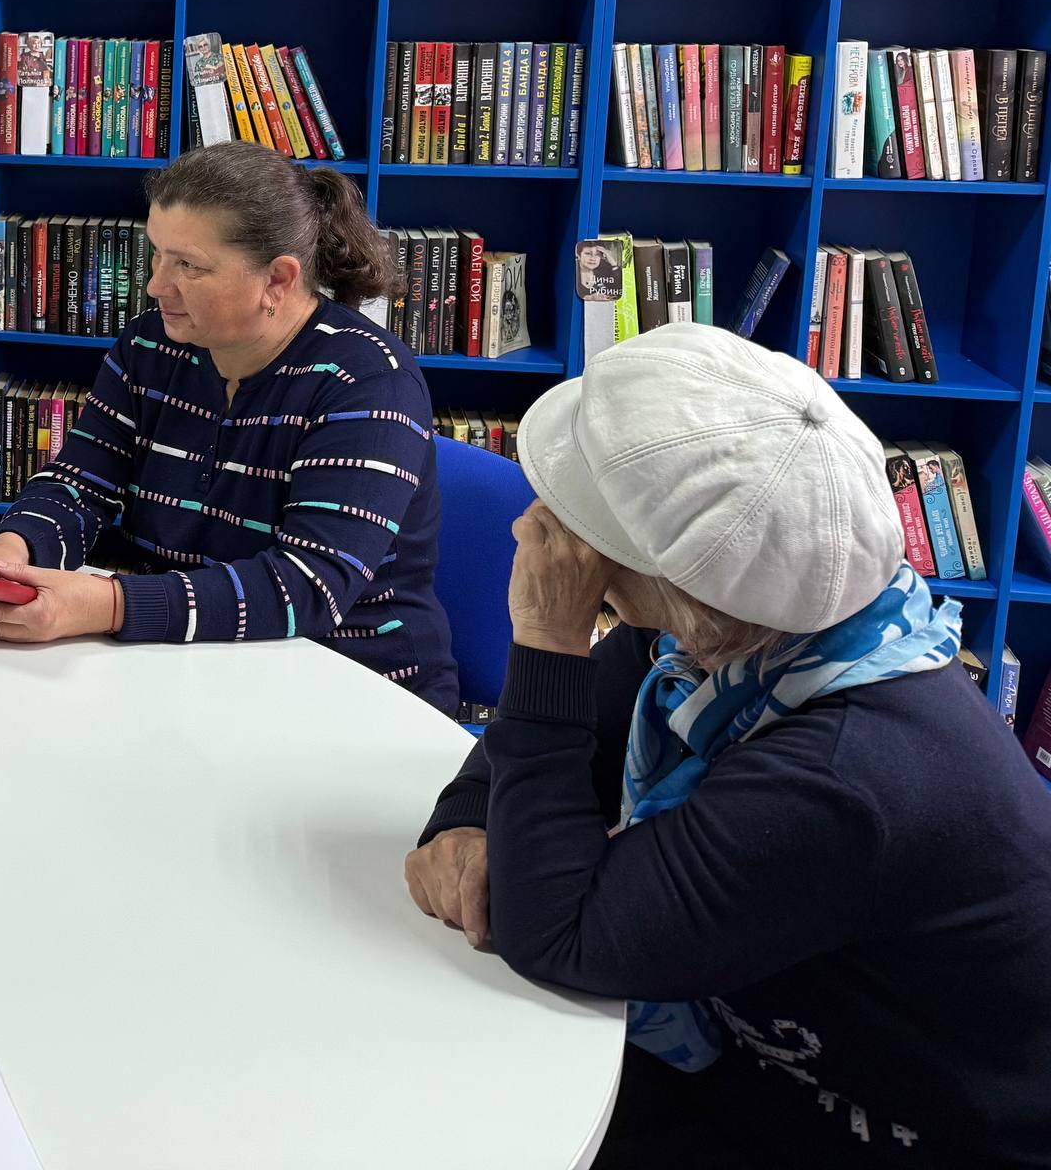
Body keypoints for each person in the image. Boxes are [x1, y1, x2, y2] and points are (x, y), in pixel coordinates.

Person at [403, 325, 1051, 1165]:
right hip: (753, 1046)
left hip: (900, 1128)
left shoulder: (847, 776)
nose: (538, 522)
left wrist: (547, 636)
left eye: (583, 522)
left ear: (681, 582)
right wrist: (464, 822)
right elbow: (544, 741)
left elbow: (558, 933)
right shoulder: (747, 632)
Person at [0, 142, 458, 711]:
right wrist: (14, 551)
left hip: (352, 687)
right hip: (182, 662)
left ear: (278, 280)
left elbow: (309, 586)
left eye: (189, 265)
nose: (157, 285)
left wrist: (105, 604)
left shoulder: (368, 381)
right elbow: (81, 483)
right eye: (157, 255)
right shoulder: (150, 346)